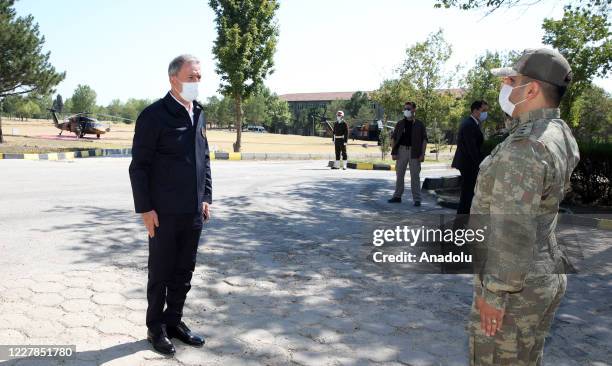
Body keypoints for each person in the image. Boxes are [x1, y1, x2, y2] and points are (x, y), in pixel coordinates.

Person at [469, 48, 580, 365]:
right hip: (542, 273)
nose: (505, 85)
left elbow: (512, 229)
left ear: (531, 89)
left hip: (515, 288)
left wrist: (494, 293)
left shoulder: (526, 146)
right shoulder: (558, 132)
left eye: (511, 80)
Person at [129, 54, 211, 356]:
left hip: (193, 212)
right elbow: (139, 167)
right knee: (160, 273)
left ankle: (174, 321)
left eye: (199, 77)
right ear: (173, 79)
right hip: (162, 214)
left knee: (184, 272)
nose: (196, 82)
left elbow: (205, 159)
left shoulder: (198, 113)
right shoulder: (154, 116)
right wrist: (146, 210)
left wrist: (206, 198)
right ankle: (155, 327)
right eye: (192, 77)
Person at [452, 100, 488, 215]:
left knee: (468, 195)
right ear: (475, 111)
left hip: (469, 164)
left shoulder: (473, 124)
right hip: (469, 165)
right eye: (483, 110)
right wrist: (481, 164)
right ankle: (460, 226)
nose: (485, 114)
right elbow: (471, 148)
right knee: (466, 196)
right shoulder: (469, 125)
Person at [388, 101, 427, 206]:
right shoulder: (400, 124)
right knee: (399, 174)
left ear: (414, 110)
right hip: (401, 151)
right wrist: (393, 152)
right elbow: (394, 138)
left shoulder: (419, 124)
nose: (406, 111)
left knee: (415, 176)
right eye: (405, 109)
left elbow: (424, 140)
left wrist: (422, 154)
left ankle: (417, 199)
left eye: (409, 109)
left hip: (415, 152)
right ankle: (397, 196)